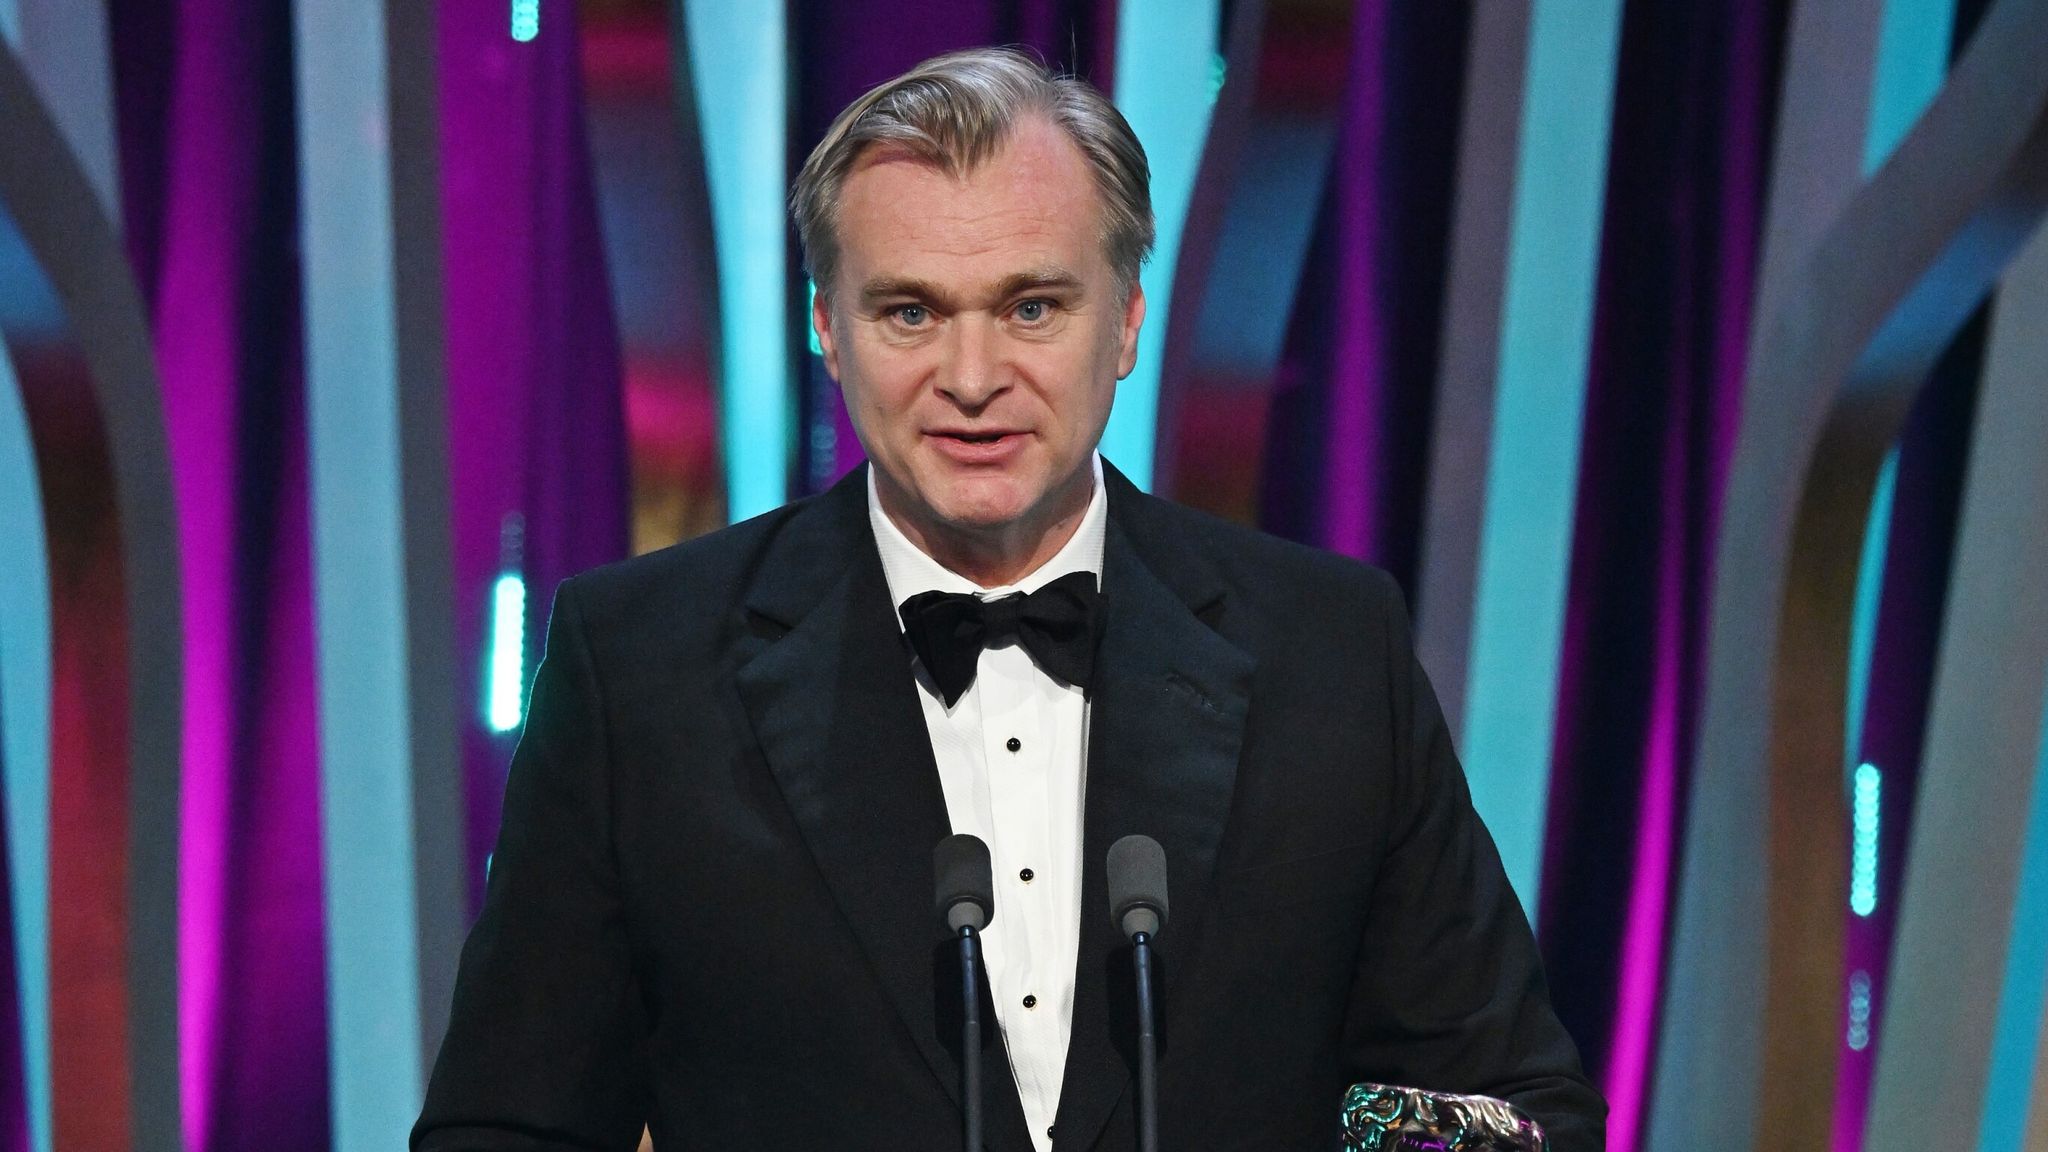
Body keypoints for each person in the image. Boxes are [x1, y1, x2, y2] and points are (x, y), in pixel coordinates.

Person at [414, 47, 1604, 1152]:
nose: (972, 380)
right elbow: (506, 1129)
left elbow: (1499, 1100)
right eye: (910, 312)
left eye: (1032, 307)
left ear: (1126, 317)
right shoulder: (640, 669)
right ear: (828, 326)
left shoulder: (1330, 653)